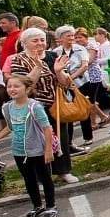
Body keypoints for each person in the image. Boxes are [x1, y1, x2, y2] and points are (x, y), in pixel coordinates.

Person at [9, 28, 78, 183]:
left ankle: (63, 171)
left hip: (55, 104)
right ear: (24, 43)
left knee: (61, 137)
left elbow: (66, 82)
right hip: (32, 107)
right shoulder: (18, 60)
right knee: (37, 141)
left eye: (42, 40)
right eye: (35, 40)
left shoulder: (53, 55)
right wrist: (38, 68)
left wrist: (59, 72)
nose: (40, 43)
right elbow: (23, 84)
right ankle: (41, 176)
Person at [0, 74, 58, 217]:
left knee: (45, 178)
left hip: (38, 149)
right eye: (9, 86)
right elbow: (9, 127)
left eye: (16, 86)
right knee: (28, 179)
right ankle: (37, 206)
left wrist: (48, 150)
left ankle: (50, 205)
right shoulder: (7, 107)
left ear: (27, 89)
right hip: (19, 150)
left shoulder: (34, 106)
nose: (12, 89)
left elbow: (47, 128)